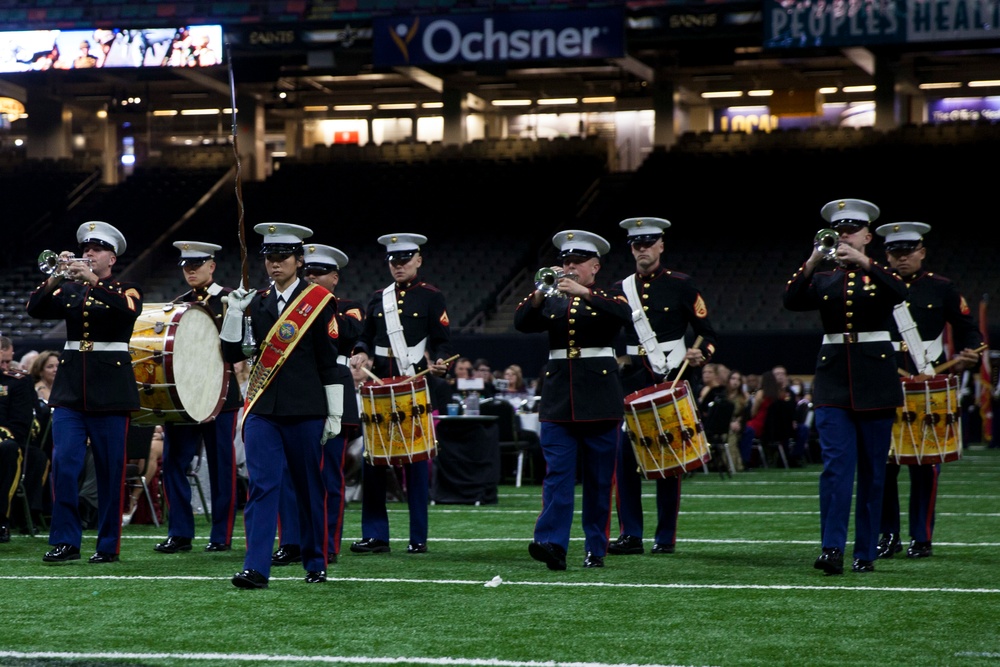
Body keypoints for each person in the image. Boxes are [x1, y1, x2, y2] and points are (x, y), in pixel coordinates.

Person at [784, 198, 908, 575]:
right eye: (840, 231)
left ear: (867, 235)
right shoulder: (824, 277)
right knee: (836, 469)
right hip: (833, 381)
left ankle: (865, 551)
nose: (845, 235)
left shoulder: (880, 274)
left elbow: (902, 293)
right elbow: (790, 300)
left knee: (873, 472)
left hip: (875, 380)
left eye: (852, 230)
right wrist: (812, 261)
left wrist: (867, 263)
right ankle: (832, 548)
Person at [220, 223, 343, 588]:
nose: (274, 264)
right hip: (263, 410)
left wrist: (333, 411)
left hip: (306, 409)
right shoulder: (255, 301)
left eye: (282, 257)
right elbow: (231, 353)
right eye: (269, 258)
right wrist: (232, 314)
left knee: (308, 488)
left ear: (299, 259)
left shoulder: (317, 301)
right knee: (261, 486)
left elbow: (328, 359)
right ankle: (256, 568)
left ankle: (316, 561)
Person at [26, 221, 143, 564]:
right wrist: (58, 276)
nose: (88, 253)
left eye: (96, 249)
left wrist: (91, 281)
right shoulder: (70, 290)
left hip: (111, 390)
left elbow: (128, 311)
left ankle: (107, 544)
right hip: (71, 390)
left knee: (109, 470)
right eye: (86, 249)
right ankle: (66, 541)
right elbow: (34, 309)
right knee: (64, 464)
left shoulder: (127, 288)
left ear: (112, 257)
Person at [514, 229, 631, 570]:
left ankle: (596, 547)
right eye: (566, 261)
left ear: (595, 266)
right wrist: (539, 292)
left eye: (578, 262)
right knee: (557, 476)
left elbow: (625, 317)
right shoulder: (552, 297)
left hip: (599, 396)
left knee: (597, 480)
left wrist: (584, 292)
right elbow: (522, 322)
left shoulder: (612, 294)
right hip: (558, 398)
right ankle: (552, 544)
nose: (569, 267)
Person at [608, 217, 718, 557]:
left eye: (648, 243)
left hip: (671, 374)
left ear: (661, 246)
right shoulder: (619, 289)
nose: (642, 249)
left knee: (670, 456)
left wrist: (703, 354)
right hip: (632, 379)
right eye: (636, 244)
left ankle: (665, 537)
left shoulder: (682, 285)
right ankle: (631, 535)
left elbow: (709, 333)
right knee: (625, 458)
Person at [873, 221, 983, 560]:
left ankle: (921, 537)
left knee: (925, 466)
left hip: (928, 384)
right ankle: (887, 536)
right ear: (887, 254)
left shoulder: (942, 288)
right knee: (884, 465)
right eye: (895, 252)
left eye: (909, 251)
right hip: (883, 379)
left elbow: (971, 334)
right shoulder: (874, 285)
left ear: (922, 252)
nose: (902, 257)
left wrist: (969, 357)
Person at [349, 233, 452, 555]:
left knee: (416, 462)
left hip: (414, 382)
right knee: (374, 461)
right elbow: (365, 337)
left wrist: (440, 362)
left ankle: (417, 537)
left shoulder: (432, 297)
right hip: (379, 386)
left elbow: (443, 340)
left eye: (405, 260)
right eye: (394, 261)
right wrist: (361, 353)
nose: (399, 266)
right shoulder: (379, 297)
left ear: (418, 260)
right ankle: (376, 535)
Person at [270, 242, 363, 568]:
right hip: (296, 393)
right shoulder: (281, 303)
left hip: (332, 388)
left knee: (328, 477)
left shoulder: (347, 306)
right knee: (287, 476)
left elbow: (349, 332)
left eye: (320, 274)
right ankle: (292, 542)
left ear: (334, 277)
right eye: (309, 272)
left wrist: (317, 307)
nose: (312, 277)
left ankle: (327, 544)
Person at [152, 241, 241, 554]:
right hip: (184, 395)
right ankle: (180, 532)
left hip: (220, 394)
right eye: (186, 265)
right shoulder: (179, 304)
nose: (190, 269)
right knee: (174, 462)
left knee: (221, 465)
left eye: (197, 264)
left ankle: (221, 534)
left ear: (211, 266)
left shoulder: (231, 300)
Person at [0, 336, 37, 543]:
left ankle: (1, 520)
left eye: (7, 360)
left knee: (9, 449)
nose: (5, 365)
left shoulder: (17, 382)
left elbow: (20, 425)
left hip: (6, 441)